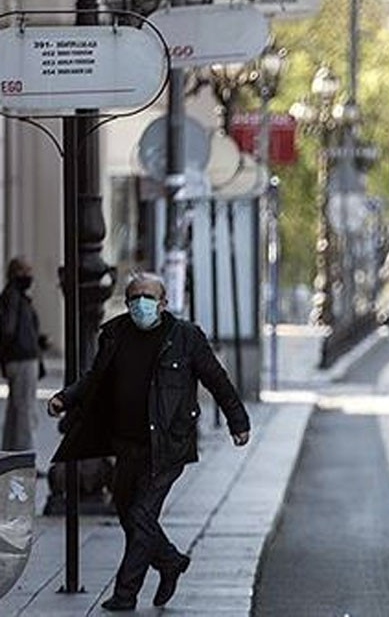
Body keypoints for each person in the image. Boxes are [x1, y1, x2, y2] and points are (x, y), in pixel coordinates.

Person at [46, 272, 251, 611]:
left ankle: (125, 594)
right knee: (129, 514)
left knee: (141, 514)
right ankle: (169, 561)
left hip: (169, 445)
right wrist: (65, 398)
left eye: (148, 297)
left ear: (163, 302)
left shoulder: (186, 337)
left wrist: (238, 421)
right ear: (127, 304)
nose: (141, 303)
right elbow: (95, 378)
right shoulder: (115, 334)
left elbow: (217, 380)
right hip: (126, 443)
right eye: (135, 297)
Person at [0, 257, 44, 452]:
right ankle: (25, 457)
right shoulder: (14, 297)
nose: (29, 276)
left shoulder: (14, 297)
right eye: (25, 272)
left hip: (19, 358)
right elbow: (8, 331)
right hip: (22, 359)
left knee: (16, 409)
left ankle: (11, 453)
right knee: (25, 410)